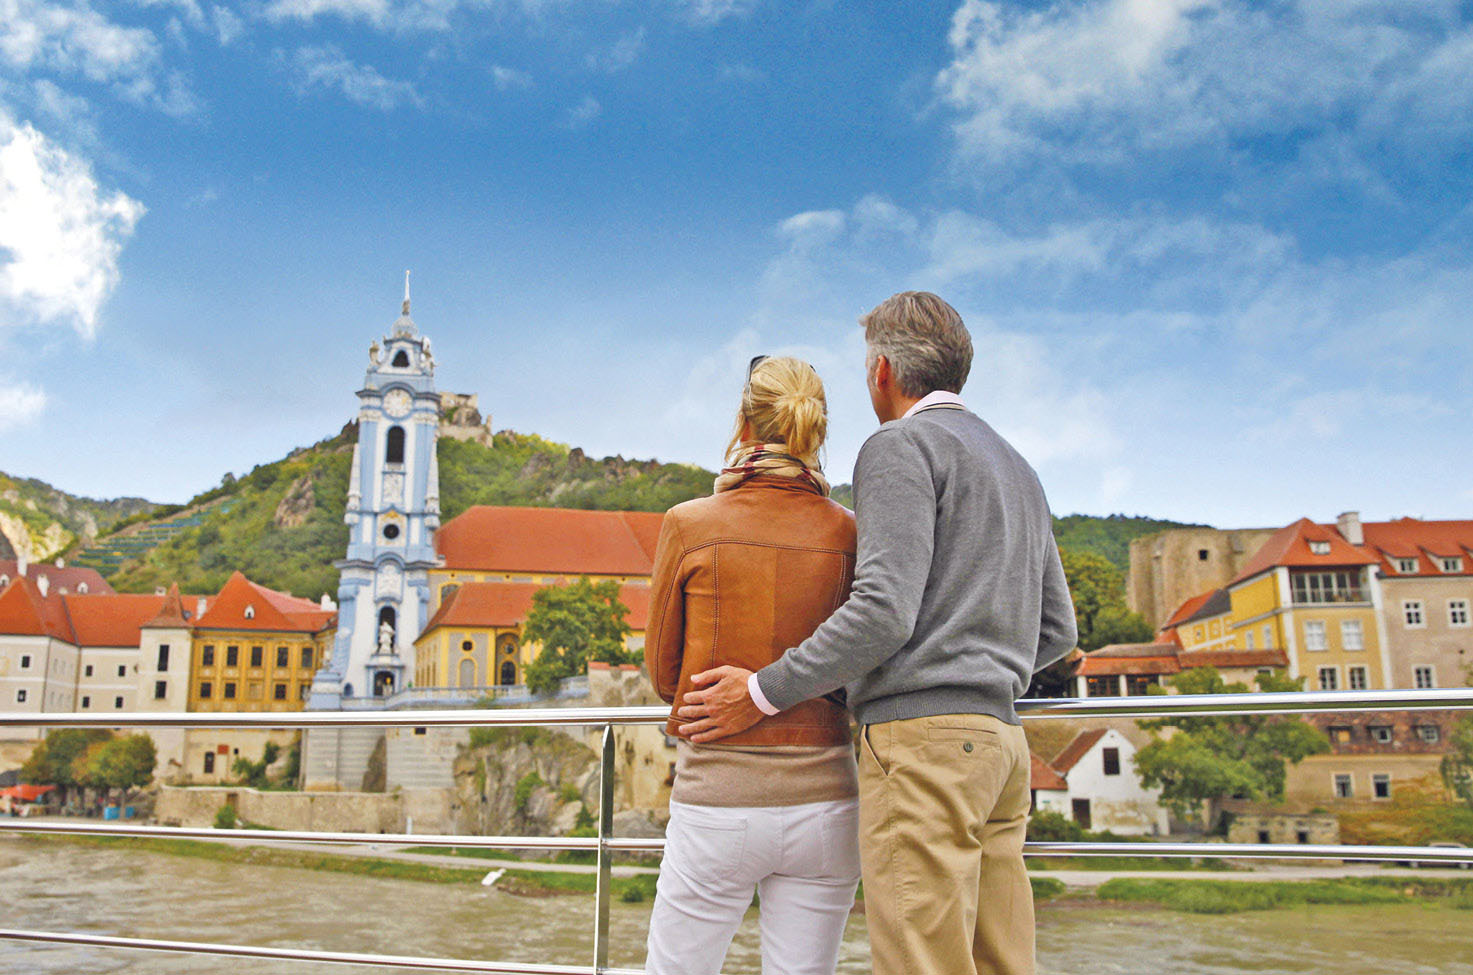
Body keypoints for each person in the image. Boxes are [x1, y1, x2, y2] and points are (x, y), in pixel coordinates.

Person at [677, 291, 1078, 975]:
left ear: (882, 371)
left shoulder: (899, 446)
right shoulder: (1016, 464)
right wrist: (979, 654)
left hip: (922, 748)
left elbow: (881, 613)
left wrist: (763, 690)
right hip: (1002, 748)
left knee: (921, 960)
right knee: (1000, 962)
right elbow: (1055, 629)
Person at [643, 355, 862, 975]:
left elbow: (666, 679)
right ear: (817, 430)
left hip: (720, 800)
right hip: (829, 804)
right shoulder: (850, 532)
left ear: (744, 423)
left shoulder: (689, 524)